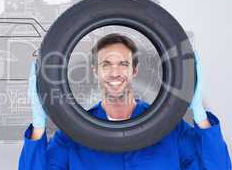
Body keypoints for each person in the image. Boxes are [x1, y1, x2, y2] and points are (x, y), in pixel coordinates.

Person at [18, 33, 231, 170]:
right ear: (95, 71)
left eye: (123, 64)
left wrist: (199, 114)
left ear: (134, 70)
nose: (115, 72)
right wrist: (38, 124)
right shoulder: (73, 134)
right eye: (106, 64)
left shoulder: (170, 129)